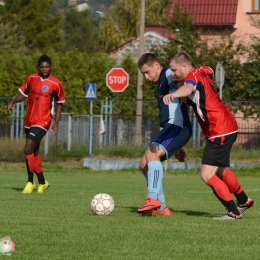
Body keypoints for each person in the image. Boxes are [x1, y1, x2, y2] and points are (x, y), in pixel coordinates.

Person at [163, 51, 254, 220]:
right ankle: (244, 200)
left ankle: (233, 212)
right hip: (227, 126)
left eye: (174, 70)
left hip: (219, 129)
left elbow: (189, 87)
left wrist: (174, 94)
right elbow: (209, 70)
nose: (173, 74)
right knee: (219, 171)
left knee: (206, 174)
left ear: (184, 66)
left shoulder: (192, 76)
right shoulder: (201, 71)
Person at [137, 53, 192, 216]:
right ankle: (161, 209)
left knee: (152, 154)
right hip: (170, 128)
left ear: (156, 65)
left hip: (177, 126)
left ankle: (153, 198)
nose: (147, 77)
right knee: (143, 164)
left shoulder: (168, 73)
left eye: (147, 72)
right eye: (143, 74)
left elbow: (185, 77)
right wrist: (177, 147)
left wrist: (183, 88)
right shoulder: (162, 82)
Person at [7, 55, 66, 194]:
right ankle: (43, 182)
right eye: (42, 67)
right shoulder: (31, 78)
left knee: (27, 148)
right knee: (34, 152)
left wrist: (56, 123)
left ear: (51, 67)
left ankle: (30, 182)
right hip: (29, 119)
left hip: (43, 120)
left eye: (47, 67)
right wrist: (13, 101)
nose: (44, 69)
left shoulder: (56, 84)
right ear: (38, 67)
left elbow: (59, 104)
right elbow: (24, 94)